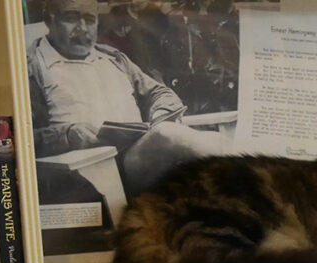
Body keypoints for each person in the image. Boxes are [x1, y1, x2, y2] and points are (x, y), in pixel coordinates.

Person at [27, 0, 228, 196]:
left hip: (139, 154)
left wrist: (160, 113)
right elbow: (21, 139)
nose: (83, 30)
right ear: (49, 20)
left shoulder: (113, 58)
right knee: (168, 137)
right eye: (70, 19)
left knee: (201, 152)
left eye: (90, 20)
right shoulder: (31, 67)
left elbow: (159, 93)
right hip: (90, 171)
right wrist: (69, 135)